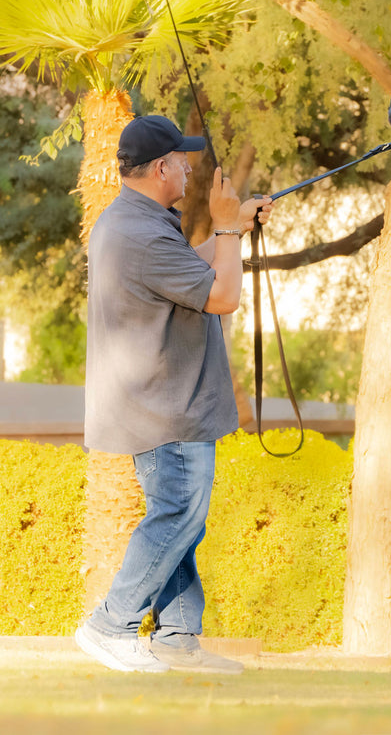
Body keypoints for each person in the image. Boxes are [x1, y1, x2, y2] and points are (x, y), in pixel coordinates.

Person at [74, 114, 272, 674]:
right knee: (178, 514)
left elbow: (188, 268)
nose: (189, 169)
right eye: (183, 161)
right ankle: (110, 625)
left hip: (159, 405)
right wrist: (227, 230)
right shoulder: (143, 234)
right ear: (161, 168)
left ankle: (178, 637)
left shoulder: (133, 223)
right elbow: (223, 297)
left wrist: (235, 229)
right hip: (167, 408)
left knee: (182, 518)